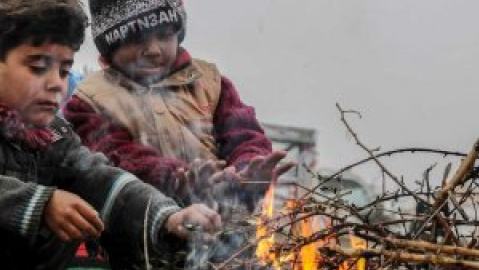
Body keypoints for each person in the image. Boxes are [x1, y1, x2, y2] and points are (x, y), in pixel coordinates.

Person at [0, 0, 221, 269]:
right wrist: (39, 204)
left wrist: (169, 218)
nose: (55, 83)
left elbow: (100, 180)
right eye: (37, 67)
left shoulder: (53, 136)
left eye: (64, 71)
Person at [63, 0, 293, 211]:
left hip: (224, 234)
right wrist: (175, 178)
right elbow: (118, 157)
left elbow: (245, 136)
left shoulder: (209, 82)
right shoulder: (90, 101)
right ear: (110, 45)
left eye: (164, 35)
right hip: (139, 237)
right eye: (137, 38)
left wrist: (246, 169)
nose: (153, 50)